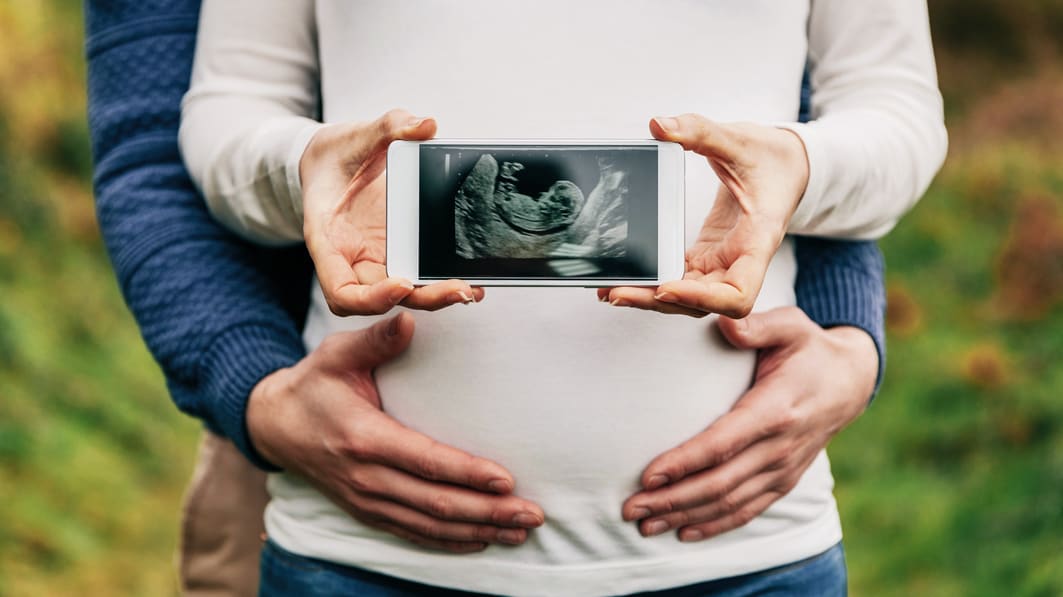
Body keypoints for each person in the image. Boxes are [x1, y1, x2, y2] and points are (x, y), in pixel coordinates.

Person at [84, 1, 901, 595]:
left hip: (743, 556)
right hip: (360, 551)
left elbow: (864, 109)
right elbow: (175, 141)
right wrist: (253, 386)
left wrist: (847, 339)